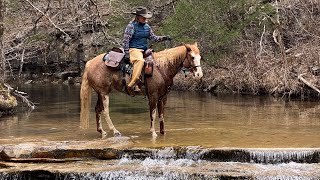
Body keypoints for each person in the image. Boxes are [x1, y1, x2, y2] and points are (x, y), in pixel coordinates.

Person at [123, 6, 171, 96]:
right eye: (143, 17)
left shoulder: (147, 27)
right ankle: (132, 84)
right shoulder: (131, 26)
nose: (145, 19)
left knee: (155, 63)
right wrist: (126, 53)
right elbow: (126, 40)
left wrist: (164, 38)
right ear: (137, 17)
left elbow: (154, 38)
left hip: (144, 50)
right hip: (134, 49)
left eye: (146, 17)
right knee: (140, 61)